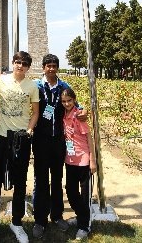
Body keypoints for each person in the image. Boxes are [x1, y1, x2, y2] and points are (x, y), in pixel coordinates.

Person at [0, 51, 39, 243]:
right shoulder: (2, 81)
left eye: (23, 63)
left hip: (21, 139)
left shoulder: (32, 86)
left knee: (21, 181)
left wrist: (30, 129)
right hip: (2, 137)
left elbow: (35, 112)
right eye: (17, 62)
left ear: (28, 67)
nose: (20, 65)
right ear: (12, 63)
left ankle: (17, 222)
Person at [32, 54, 87, 239]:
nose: (52, 68)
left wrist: (84, 111)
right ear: (43, 67)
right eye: (48, 65)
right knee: (41, 180)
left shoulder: (64, 87)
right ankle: (40, 220)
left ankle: (56, 216)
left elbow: (76, 106)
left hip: (58, 141)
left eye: (54, 65)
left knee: (56, 180)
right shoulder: (36, 87)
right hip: (40, 140)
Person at [61, 87, 96, 241]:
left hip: (83, 161)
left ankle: (84, 226)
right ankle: (81, 216)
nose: (67, 103)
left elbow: (89, 138)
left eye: (69, 100)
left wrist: (93, 160)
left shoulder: (79, 116)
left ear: (74, 100)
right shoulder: (64, 114)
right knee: (70, 191)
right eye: (64, 101)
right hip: (70, 160)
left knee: (85, 196)